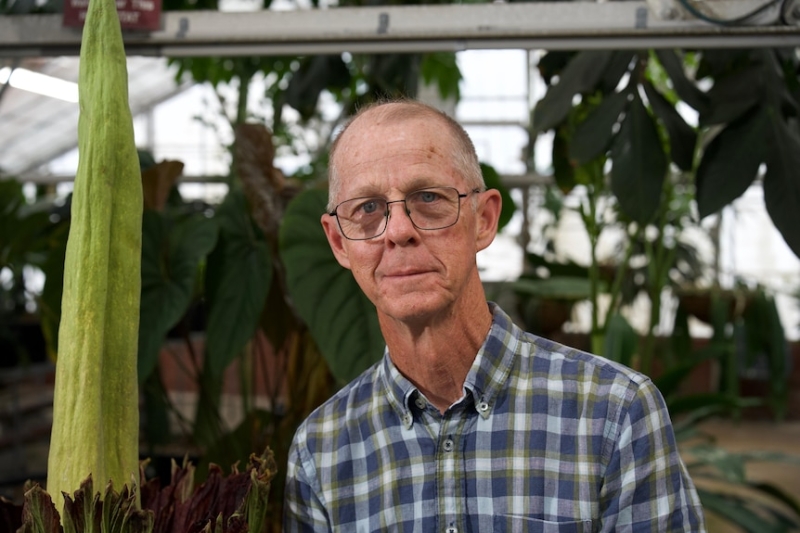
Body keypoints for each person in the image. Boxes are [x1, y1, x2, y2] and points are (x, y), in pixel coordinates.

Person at [283, 99, 706, 532]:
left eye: (428, 197)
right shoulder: (323, 451)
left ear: (483, 220)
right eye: (368, 208)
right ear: (338, 243)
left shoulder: (613, 415)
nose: (397, 230)